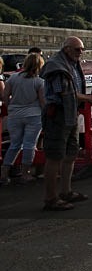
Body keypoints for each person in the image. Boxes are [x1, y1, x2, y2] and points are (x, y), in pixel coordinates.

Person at [39, 36, 92, 211]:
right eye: (77, 49)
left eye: (82, 49)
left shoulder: (71, 64)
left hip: (70, 114)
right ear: (66, 49)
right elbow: (65, 93)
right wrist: (90, 98)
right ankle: (50, 198)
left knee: (70, 154)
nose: (80, 52)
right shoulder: (57, 67)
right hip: (58, 115)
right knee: (54, 156)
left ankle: (66, 191)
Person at [1, 53, 45, 185]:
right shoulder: (39, 82)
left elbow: (5, 97)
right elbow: (43, 102)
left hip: (15, 114)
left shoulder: (13, 78)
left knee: (14, 144)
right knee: (29, 144)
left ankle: (4, 173)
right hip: (34, 115)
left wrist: (11, 108)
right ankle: (25, 173)